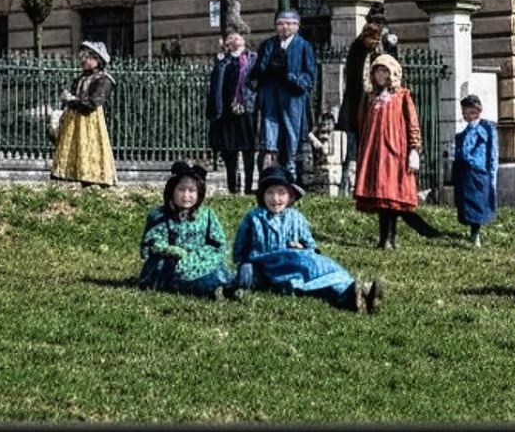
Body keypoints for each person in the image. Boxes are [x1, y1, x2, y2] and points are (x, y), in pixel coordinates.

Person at [230, 166, 379, 312]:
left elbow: (311, 246)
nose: (275, 199)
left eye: (281, 193)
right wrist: (245, 263)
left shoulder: (296, 218)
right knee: (251, 274)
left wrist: (303, 248)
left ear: (290, 196)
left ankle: (356, 291)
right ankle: (349, 296)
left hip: (296, 264)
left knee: (320, 267)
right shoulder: (254, 217)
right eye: (270, 193)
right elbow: (239, 248)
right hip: (266, 265)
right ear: (262, 196)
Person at [354, 53, 423, 249]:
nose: (380, 76)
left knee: (392, 195)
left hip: (395, 151)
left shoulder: (402, 96)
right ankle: (383, 237)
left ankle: (391, 237)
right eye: (377, 71)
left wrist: (414, 148)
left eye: (384, 71)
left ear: (392, 73)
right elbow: (362, 122)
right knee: (380, 195)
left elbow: (412, 123)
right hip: (375, 152)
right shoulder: (371, 97)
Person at [138, 160, 233, 299]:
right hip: (172, 262)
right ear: (172, 190)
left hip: (199, 259)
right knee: (170, 273)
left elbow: (217, 243)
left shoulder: (207, 215)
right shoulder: (160, 215)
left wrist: (199, 256)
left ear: (199, 193)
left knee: (217, 270)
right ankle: (209, 289)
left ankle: (227, 287)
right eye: (181, 190)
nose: (186, 196)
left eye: (192, 191)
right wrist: (169, 250)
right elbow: (153, 242)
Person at [249, 9, 318, 175]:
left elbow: (310, 75)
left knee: (291, 136)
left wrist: (293, 78)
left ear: (297, 26)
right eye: (280, 24)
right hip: (270, 95)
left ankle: (291, 175)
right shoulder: (268, 45)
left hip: (292, 97)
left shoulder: (303, 46)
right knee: (269, 137)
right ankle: (269, 175)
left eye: (289, 24)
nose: (284, 27)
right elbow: (256, 73)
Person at [337, 8, 398, 192]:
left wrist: (390, 47)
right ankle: (349, 187)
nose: (377, 28)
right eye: (375, 23)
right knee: (353, 150)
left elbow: (394, 73)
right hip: (358, 106)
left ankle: (374, 185)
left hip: (380, 105)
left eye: (380, 24)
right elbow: (354, 77)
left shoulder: (387, 44)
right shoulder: (359, 46)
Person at [51, 41, 117, 187]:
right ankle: (69, 175)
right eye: (82, 57)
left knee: (91, 145)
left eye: (86, 57)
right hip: (73, 118)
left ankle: (93, 177)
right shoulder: (80, 78)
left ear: (96, 59)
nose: (82, 60)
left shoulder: (104, 79)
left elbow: (93, 103)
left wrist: (72, 100)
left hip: (90, 120)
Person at [208, 27, 258, 196]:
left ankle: (249, 185)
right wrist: (223, 55)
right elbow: (216, 84)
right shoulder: (223, 60)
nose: (234, 39)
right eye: (230, 38)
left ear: (243, 40)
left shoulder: (252, 58)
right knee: (230, 150)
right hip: (228, 112)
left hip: (248, 109)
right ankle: (233, 187)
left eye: (237, 37)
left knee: (248, 149)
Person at [450, 92, 498, 246]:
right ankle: (472, 232)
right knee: (467, 204)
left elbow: (493, 152)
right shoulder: (464, 132)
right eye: (464, 112)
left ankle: (476, 234)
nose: (466, 115)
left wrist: (492, 173)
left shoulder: (487, 129)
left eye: (470, 111)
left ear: (477, 110)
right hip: (464, 173)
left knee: (478, 204)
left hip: (479, 171)